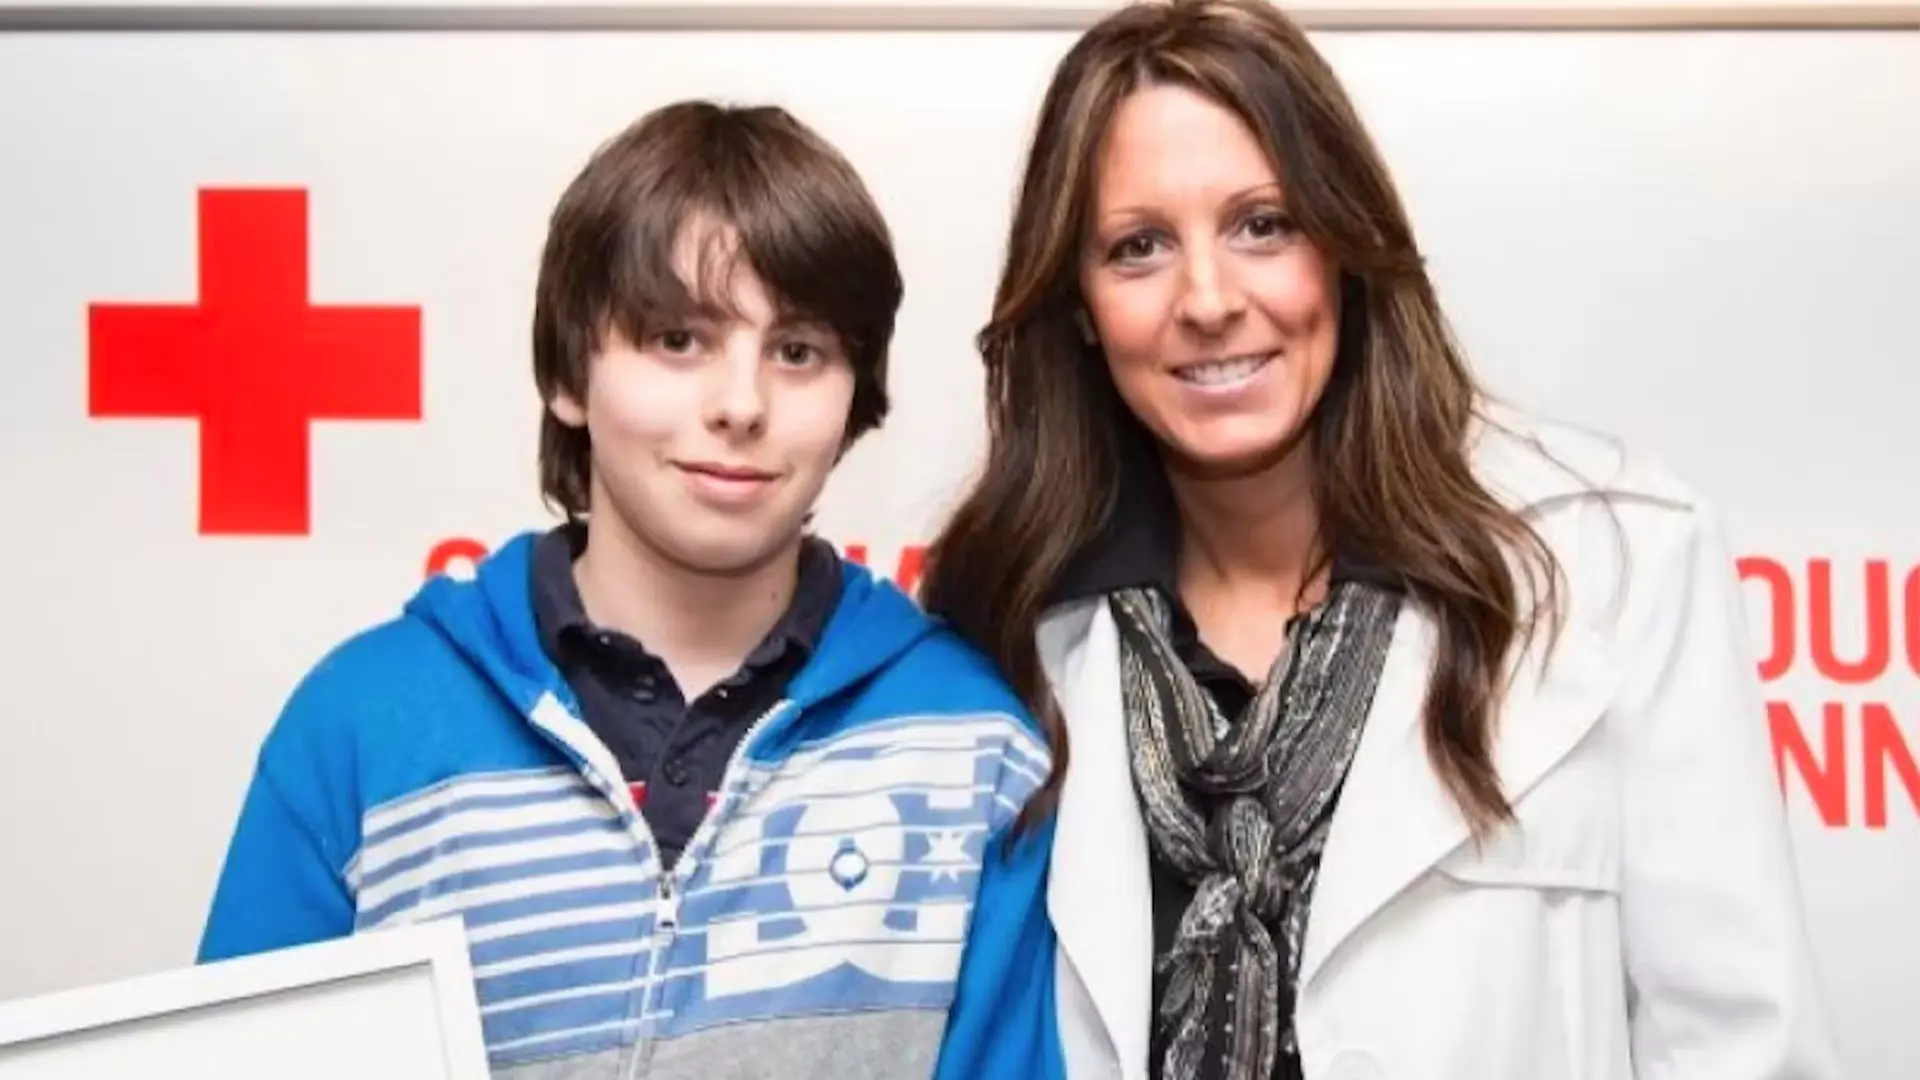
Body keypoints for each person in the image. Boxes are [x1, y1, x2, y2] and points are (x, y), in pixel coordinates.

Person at [918, 3, 1841, 1079]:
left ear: (1346, 245)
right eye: (1139, 248)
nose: (1209, 300)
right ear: (1077, 305)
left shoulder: (1613, 561)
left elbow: (1746, 1047)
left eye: (1263, 224)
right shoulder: (1008, 619)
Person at [198, 100, 1060, 1080]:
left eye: (798, 351)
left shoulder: (973, 744)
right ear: (570, 374)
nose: (740, 406)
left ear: (856, 400)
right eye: (678, 340)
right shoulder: (361, 726)